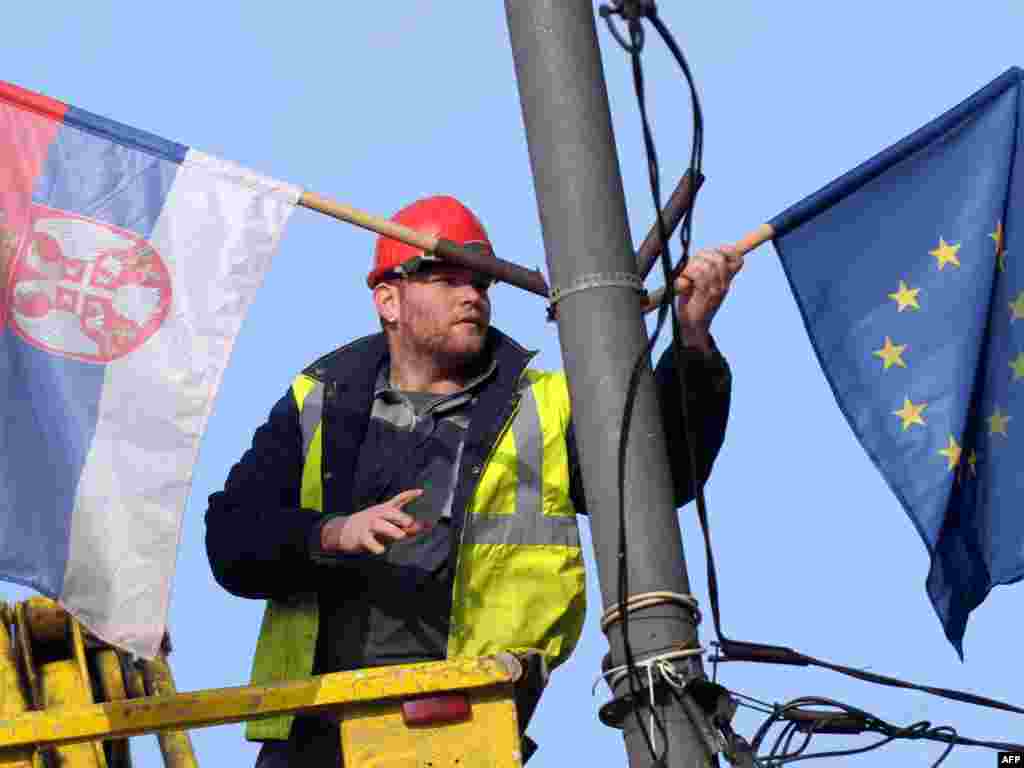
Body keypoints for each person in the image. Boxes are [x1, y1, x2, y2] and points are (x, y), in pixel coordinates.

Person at [205, 195, 741, 766]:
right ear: (388, 299)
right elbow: (232, 543)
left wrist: (691, 344)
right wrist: (332, 533)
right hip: (317, 732)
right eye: (445, 279)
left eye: (481, 284)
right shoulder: (319, 401)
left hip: (465, 726)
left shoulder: (544, 403)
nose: (472, 296)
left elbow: (660, 481)